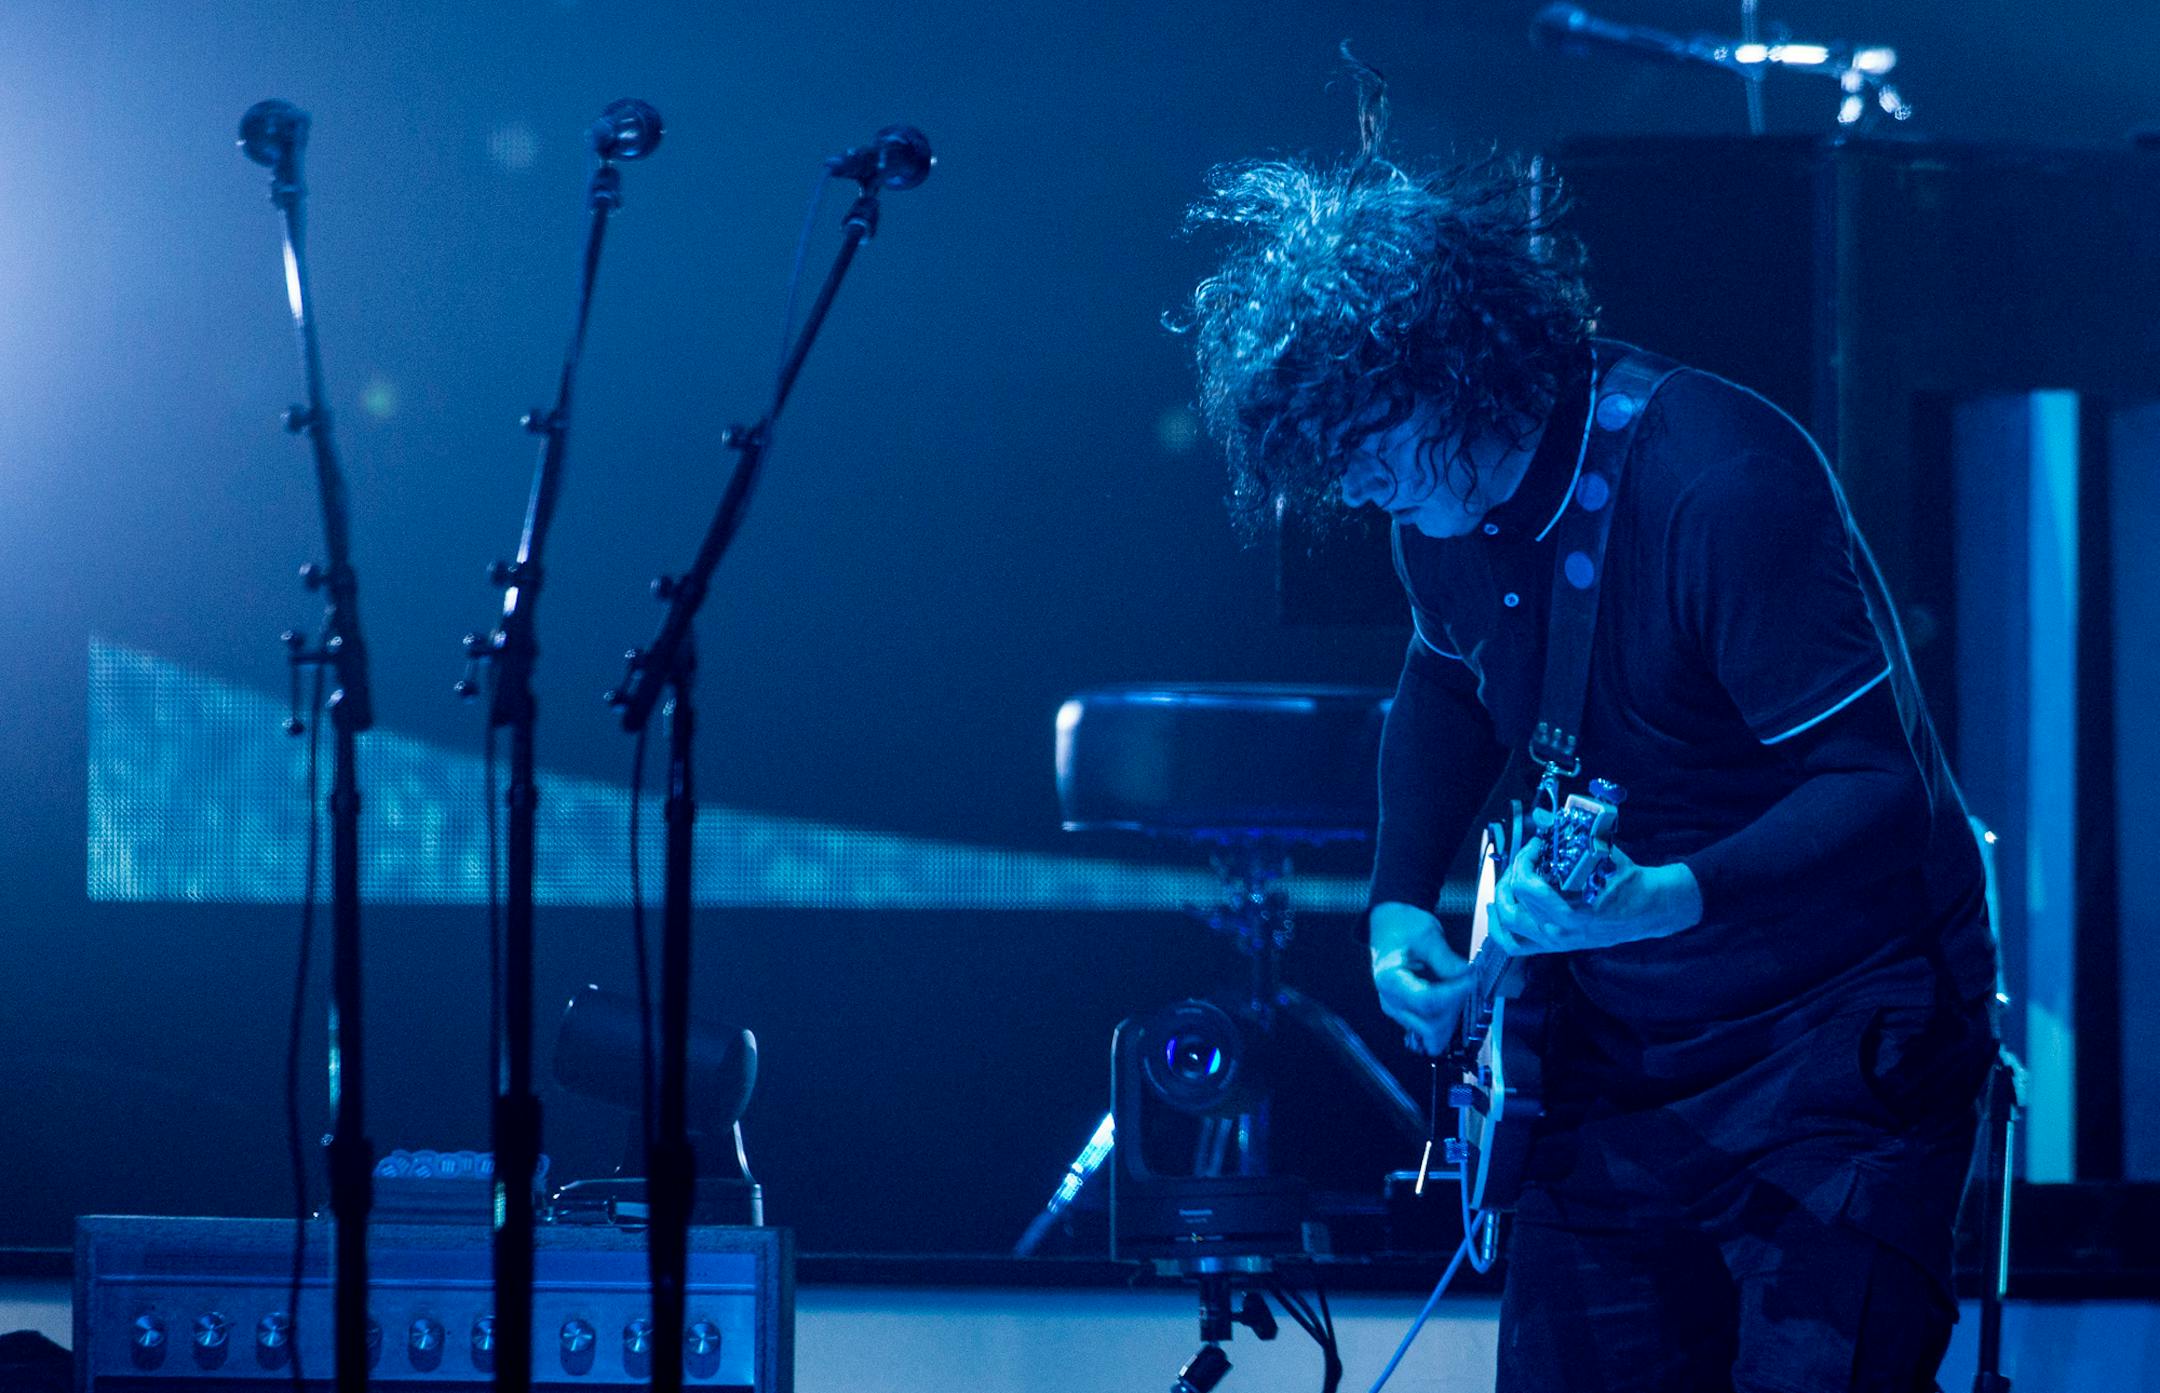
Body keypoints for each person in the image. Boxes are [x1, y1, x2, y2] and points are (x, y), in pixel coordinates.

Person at [1177, 64, 2000, 1392]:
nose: (1354, 482)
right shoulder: (1434, 517)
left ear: (1454, 367)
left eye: (1368, 436)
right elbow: (1445, 688)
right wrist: (1396, 906)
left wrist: (1666, 895)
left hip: (1832, 1064)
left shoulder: (1720, 481)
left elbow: (1875, 788)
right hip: (1620, 1070)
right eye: (1330, 454)